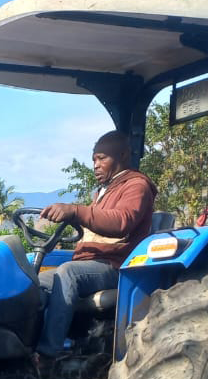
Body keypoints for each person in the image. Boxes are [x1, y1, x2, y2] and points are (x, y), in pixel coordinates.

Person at [34, 130, 156, 366]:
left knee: (68, 273)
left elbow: (121, 221)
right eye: (94, 160)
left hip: (116, 266)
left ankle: (47, 355)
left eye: (102, 158)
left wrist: (75, 211)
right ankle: (23, 350)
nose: (96, 165)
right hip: (91, 263)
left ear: (123, 155)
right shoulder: (104, 191)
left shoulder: (137, 186)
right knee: (32, 282)